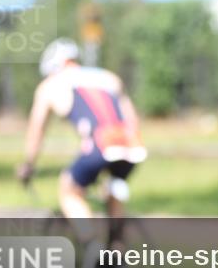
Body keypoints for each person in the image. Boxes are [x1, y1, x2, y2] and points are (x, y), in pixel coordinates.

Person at [18, 38, 146, 240]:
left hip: (99, 145)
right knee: (114, 187)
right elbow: (131, 119)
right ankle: (118, 256)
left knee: (69, 190)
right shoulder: (109, 77)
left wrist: (28, 164)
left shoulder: (50, 85)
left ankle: (91, 243)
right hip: (131, 146)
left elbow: (37, 130)